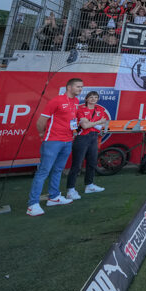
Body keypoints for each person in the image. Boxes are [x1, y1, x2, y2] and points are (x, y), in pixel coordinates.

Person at [27, 78, 84, 216]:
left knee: (58, 169)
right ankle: (32, 204)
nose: (80, 89)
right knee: (43, 172)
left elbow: (71, 120)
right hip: (53, 141)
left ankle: (54, 197)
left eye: (81, 87)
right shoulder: (56, 101)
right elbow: (41, 121)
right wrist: (42, 133)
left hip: (67, 141)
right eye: (78, 86)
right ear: (69, 87)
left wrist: (73, 132)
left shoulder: (76, 102)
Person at [65, 91, 109, 199]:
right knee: (77, 165)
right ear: (86, 99)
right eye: (91, 97)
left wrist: (92, 123)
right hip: (82, 138)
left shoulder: (100, 109)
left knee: (92, 162)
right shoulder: (80, 109)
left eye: (95, 97)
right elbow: (84, 126)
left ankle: (89, 185)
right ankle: (70, 190)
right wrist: (96, 122)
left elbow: (104, 123)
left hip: (94, 137)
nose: (93, 99)